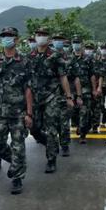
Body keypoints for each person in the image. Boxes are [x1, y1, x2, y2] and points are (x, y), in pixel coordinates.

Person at [0, 27, 33, 194]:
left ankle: (17, 177)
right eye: (4, 36)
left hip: (18, 112)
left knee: (18, 145)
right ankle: (16, 162)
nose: (7, 39)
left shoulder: (24, 62)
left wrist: (29, 113)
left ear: (17, 40)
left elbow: (28, 89)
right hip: (0, 111)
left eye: (10, 36)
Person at [31, 30, 75, 173]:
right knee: (34, 129)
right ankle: (52, 145)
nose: (40, 37)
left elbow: (63, 77)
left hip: (52, 97)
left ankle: (51, 160)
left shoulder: (55, 56)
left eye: (43, 35)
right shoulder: (29, 56)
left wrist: (69, 96)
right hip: (35, 98)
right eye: (38, 35)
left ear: (48, 39)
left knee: (51, 130)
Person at [68, 36, 96, 143]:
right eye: (74, 42)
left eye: (78, 42)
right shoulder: (69, 59)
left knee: (84, 112)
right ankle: (79, 126)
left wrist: (94, 89)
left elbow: (92, 75)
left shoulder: (88, 59)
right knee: (74, 113)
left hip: (86, 90)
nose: (76, 44)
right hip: (72, 91)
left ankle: (83, 134)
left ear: (82, 44)